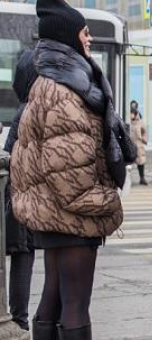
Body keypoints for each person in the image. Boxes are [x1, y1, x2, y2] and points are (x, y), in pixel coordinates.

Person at [12, 0, 126, 340]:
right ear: (67, 37)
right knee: (75, 303)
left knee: (54, 297)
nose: (89, 37)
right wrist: (109, 200)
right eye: (83, 31)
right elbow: (69, 172)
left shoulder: (49, 83)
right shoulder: (66, 90)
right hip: (72, 213)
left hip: (54, 213)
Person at [4, 49, 37, 331]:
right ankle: (20, 321)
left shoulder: (23, 109)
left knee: (23, 256)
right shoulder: (30, 111)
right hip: (24, 200)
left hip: (20, 200)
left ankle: (21, 319)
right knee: (23, 256)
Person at [130, 108, 149, 186]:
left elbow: (145, 132)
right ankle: (126, 179)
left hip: (138, 144)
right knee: (127, 163)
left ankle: (142, 178)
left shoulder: (140, 122)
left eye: (132, 113)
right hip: (129, 144)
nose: (130, 115)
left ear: (135, 114)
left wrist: (143, 139)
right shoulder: (128, 122)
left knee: (140, 161)